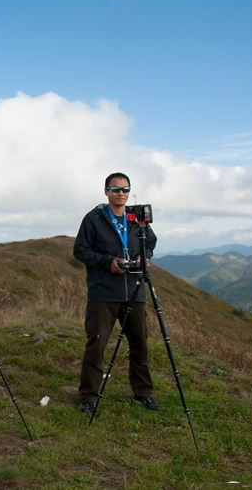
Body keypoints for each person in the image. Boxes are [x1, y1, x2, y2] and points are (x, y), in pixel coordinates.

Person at [73, 172, 159, 414]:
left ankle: (143, 393)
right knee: (97, 344)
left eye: (125, 189)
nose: (121, 193)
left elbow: (150, 241)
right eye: (115, 189)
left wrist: (145, 257)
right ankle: (88, 397)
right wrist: (108, 262)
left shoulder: (136, 218)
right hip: (103, 292)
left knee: (139, 343)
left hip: (134, 290)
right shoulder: (94, 218)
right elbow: (80, 250)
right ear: (106, 192)